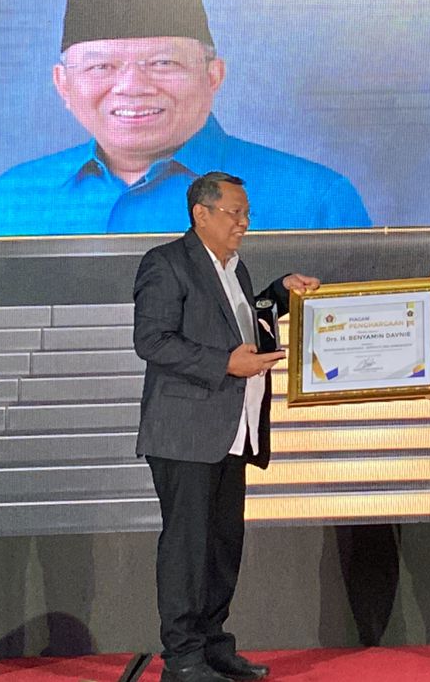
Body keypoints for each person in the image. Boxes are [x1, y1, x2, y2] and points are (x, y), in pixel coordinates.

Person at [0, 0, 370, 236]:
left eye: (163, 63)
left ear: (213, 75)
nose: (132, 88)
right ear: (63, 84)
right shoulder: (15, 195)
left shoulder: (315, 197)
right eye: (101, 67)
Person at [133, 171, 321, 682]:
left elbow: (243, 321)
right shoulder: (166, 263)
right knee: (187, 549)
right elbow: (151, 340)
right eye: (235, 212)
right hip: (185, 434)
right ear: (201, 214)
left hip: (233, 430)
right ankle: (183, 658)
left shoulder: (236, 269)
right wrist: (224, 363)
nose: (244, 222)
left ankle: (214, 646)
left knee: (221, 547)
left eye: (246, 213)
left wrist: (280, 293)